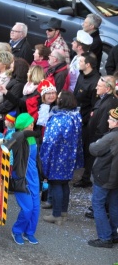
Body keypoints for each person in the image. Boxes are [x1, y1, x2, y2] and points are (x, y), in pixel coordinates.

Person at [40, 91, 84, 225]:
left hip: (57, 156)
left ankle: (57, 215)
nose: (56, 99)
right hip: (69, 156)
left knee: (56, 183)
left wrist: (44, 156)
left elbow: (50, 140)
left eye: (59, 98)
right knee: (64, 183)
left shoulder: (59, 118)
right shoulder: (75, 116)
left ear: (62, 101)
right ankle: (63, 212)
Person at [74, 75, 118, 188]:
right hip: (93, 136)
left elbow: (104, 125)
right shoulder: (104, 98)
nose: (96, 88)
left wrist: (97, 142)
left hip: (98, 139)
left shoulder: (110, 103)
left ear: (107, 88)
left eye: (99, 86)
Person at [8, 113, 41, 245]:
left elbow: (36, 159)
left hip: (34, 178)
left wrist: (42, 176)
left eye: (32, 122)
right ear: (22, 125)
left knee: (36, 208)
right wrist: (27, 132)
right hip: (21, 178)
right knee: (27, 208)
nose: (32, 125)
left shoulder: (34, 139)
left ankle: (29, 232)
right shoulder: (18, 138)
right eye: (29, 123)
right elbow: (14, 138)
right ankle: (16, 231)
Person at [87, 106, 118, 248]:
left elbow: (94, 149)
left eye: (111, 119)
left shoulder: (111, 137)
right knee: (114, 206)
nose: (108, 120)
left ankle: (105, 237)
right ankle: (114, 234)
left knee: (98, 205)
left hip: (105, 176)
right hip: (115, 178)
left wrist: (95, 143)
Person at [73, 52, 101, 188]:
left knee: (87, 149)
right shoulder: (81, 74)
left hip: (86, 121)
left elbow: (95, 106)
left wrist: (84, 120)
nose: (79, 63)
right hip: (77, 116)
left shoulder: (95, 81)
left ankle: (85, 178)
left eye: (81, 61)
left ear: (88, 64)